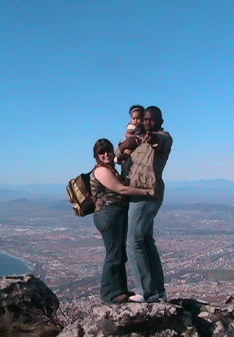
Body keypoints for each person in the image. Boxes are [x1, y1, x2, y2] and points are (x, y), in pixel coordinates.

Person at [90, 138, 154, 304]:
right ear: (96, 156)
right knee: (113, 254)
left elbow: (122, 156)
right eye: (101, 152)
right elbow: (121, 189)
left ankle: (119, 291)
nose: (106, 154)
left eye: (108, 151)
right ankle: (109, 295)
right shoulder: (101, 171)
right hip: (108, 213)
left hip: (115, 213)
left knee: (119, 253)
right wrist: (146, 192)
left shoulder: (111, 168)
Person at [126, 106, 173, 303]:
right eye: (145, 119)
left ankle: (146, 291)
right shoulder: (139, 140)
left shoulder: (164, 137)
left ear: (160, 121)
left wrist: (151, 137)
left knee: (133, 242)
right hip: (137, 193)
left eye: (152, 120)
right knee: (146, 242)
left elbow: (159, 140)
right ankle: (158, 290)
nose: (147, 123)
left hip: (147, 194)